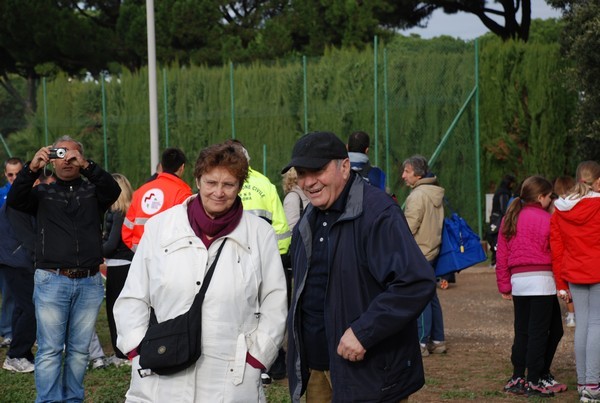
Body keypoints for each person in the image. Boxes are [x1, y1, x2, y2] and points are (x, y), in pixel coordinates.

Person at [114, 140, 287, 402]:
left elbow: (275, 300)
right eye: (211, 183)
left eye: (228, 184)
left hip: (232, 373)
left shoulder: (259, 234)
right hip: (164, 368)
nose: (219, 192)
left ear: (239, 187)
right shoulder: (161, 227)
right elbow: (134, 294)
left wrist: (257, 357)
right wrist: (137, 349)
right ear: (197, 180)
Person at [283, 131, 436, 402]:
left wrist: (364, 332)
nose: (308, 182)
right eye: (302, 173)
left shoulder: (377, 213)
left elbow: (415, 281)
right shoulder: (310, 216)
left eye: (317, 170)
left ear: (344, 167)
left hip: (370, 374)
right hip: (320, 368)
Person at [6, 135, 121, 402]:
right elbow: (15, 200)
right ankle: (49, 400)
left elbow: (112, 191)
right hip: (52, 280)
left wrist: (88, 165)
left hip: (89, 282)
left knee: (80, 351)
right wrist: (31, 168)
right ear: (52, 160)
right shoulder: (42, 193)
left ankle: (72, 399)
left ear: (80, 159)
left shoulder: (93, 193)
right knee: (50, 350)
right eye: (61, 154)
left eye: (73, 155)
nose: (67, 160)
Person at [495, 176, 565, 398]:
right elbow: (556, 252)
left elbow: (502, 254)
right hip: (542, 280)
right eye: (549, 196)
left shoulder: (510, 218)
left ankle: (518, 375)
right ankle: (535, 379)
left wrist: (504, 284)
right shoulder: (547, 219)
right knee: (541, 332)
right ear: (541, 197)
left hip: (519, 282)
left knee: (523, 330)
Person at [234, 140, 291, 382]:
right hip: (267, 257)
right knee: (268, 310)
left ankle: (248, 360)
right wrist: (277, 256)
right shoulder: (264, 184)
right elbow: (281, 224)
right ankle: (269, 363)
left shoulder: (223, 184)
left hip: (236, 260)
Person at [550, 161, 600, 401]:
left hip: (574, 272)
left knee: (583, 324)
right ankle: (592, 385)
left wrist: (561, 282)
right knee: (596, 325)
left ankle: (584, 383)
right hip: (597, 271)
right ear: (597, 180)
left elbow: (556, 247)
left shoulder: (560, 209)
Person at [0, 172, 53, 372]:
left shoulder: (25, 200)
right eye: (48, 187)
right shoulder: (21, 201)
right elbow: (28, 237)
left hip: (14, 259)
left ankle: (22, 353)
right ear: (37, 182)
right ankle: (16, 355)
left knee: (22, 308)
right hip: (15, 260)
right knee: (32, 307)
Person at [401, 155, 447, 358]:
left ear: (418, 174)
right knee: (431, 295)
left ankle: (420, 342)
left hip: (419, 252)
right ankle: (437, 340)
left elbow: (408, 228)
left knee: (421, 297)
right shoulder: (434, 192)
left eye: (407, 172)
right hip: (432, 250)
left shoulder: (417, 196)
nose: (403, 176)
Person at [122, 147, 191, 251]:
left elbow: (127, 230)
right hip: (169, 257)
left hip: (141, 256)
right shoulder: (183, 193)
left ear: (161, 166)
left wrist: (140, 251)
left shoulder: (140, 191)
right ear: (182, 167)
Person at [103, 173, 134, 366]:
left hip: (118, 267)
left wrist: (90, 248)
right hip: (129, 265)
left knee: (115, 312)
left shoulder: (118, 213)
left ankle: (121, 355)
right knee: (129, 311)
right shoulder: (130, 211)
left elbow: (111, 245)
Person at [0, 157, 23, 348]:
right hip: (7, 255)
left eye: (18, 174)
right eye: (10, 174)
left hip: (28, 252)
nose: (14, 178)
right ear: (5, 175)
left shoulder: (31, 192)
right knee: (9, 294)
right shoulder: (1, 195)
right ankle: (8, 332)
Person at [552, 175, 577, 328]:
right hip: (580, 256)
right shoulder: (580, 205)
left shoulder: (557, 210)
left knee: (568, 289)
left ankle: (572, 316)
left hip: (566, 257)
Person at [487, 174, 517, 267]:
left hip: (496, 219)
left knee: (496, 239)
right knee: (497, 239)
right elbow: (504, 208)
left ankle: (495, 260)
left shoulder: (501, 191)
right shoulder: (503, 193)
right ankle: (496, 260)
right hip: (499, 220)